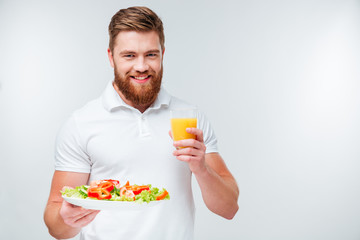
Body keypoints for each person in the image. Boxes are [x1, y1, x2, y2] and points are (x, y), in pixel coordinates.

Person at [44, 6, 239, 240]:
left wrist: (201, 168)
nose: (141, 66)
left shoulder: (189, 118)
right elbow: (57, 228)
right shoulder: (82, 123)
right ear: (110, 57)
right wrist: (67, 218)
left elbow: (229, 209)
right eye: (129, 55)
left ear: (162, 54)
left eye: (151, 54)